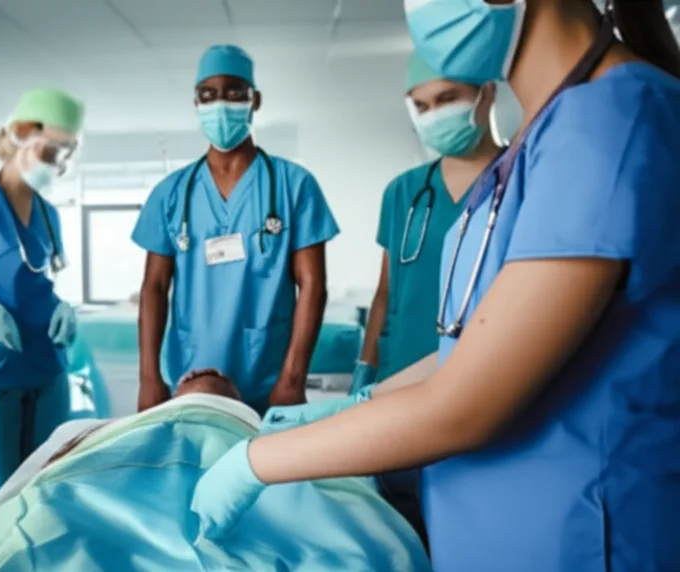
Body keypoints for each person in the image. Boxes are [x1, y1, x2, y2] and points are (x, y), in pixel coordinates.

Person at [190, 0, 680, 570]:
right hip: (499, 537)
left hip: (582, 539)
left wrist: (253, 464)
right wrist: (360, 401)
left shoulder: (609, 120)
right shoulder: (543, 136)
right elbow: (474, 343)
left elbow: (464, 407)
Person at [0, 370, 430, 572]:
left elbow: (450, 396)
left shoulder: (297, 438)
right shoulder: (95, 430)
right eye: (189, 374)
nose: (200, 370)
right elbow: (36, 485)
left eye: (218, 375)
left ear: (240, 399)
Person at [132, 44, 339, 415]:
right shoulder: (171, 193)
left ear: (254, 100)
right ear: (196, 103)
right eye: (208, 95)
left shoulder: (294, 185)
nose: (220, 104)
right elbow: (154, 287)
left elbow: (313, 285)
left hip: (269, 378)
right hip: (189, 376)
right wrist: (149, 379)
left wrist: (293, 378)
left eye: (233, 93)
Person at [350, 50, 505, 545]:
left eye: (448, 98)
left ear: (486, 94)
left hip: (486, 387)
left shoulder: (521, 177)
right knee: (403, 530)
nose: (434, 114)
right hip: (400, 388)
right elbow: (385, 294)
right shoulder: (403, 193)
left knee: (474, 527)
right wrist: (365, 371)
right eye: (421, 105)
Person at [0, 87, 85, 508]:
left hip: (48, 364)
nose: (57, 163)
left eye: (65, 153)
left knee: (48, 483)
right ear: (21, 132)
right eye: (51, 150)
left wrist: (64, 308)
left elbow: (40, 278)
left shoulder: (49, 214)